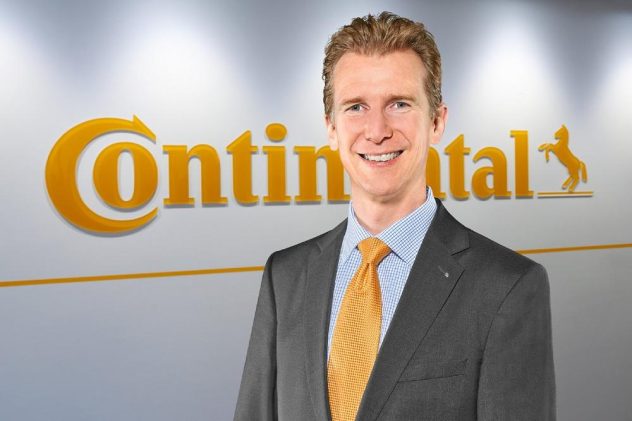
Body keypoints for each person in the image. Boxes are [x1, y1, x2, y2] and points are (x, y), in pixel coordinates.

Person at [234, 11, 555, 421]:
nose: (377, 130)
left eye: (399, 104)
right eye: (355, 107)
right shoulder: (286, 277)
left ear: (436, 122)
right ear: (331, 128)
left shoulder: (506, 287)